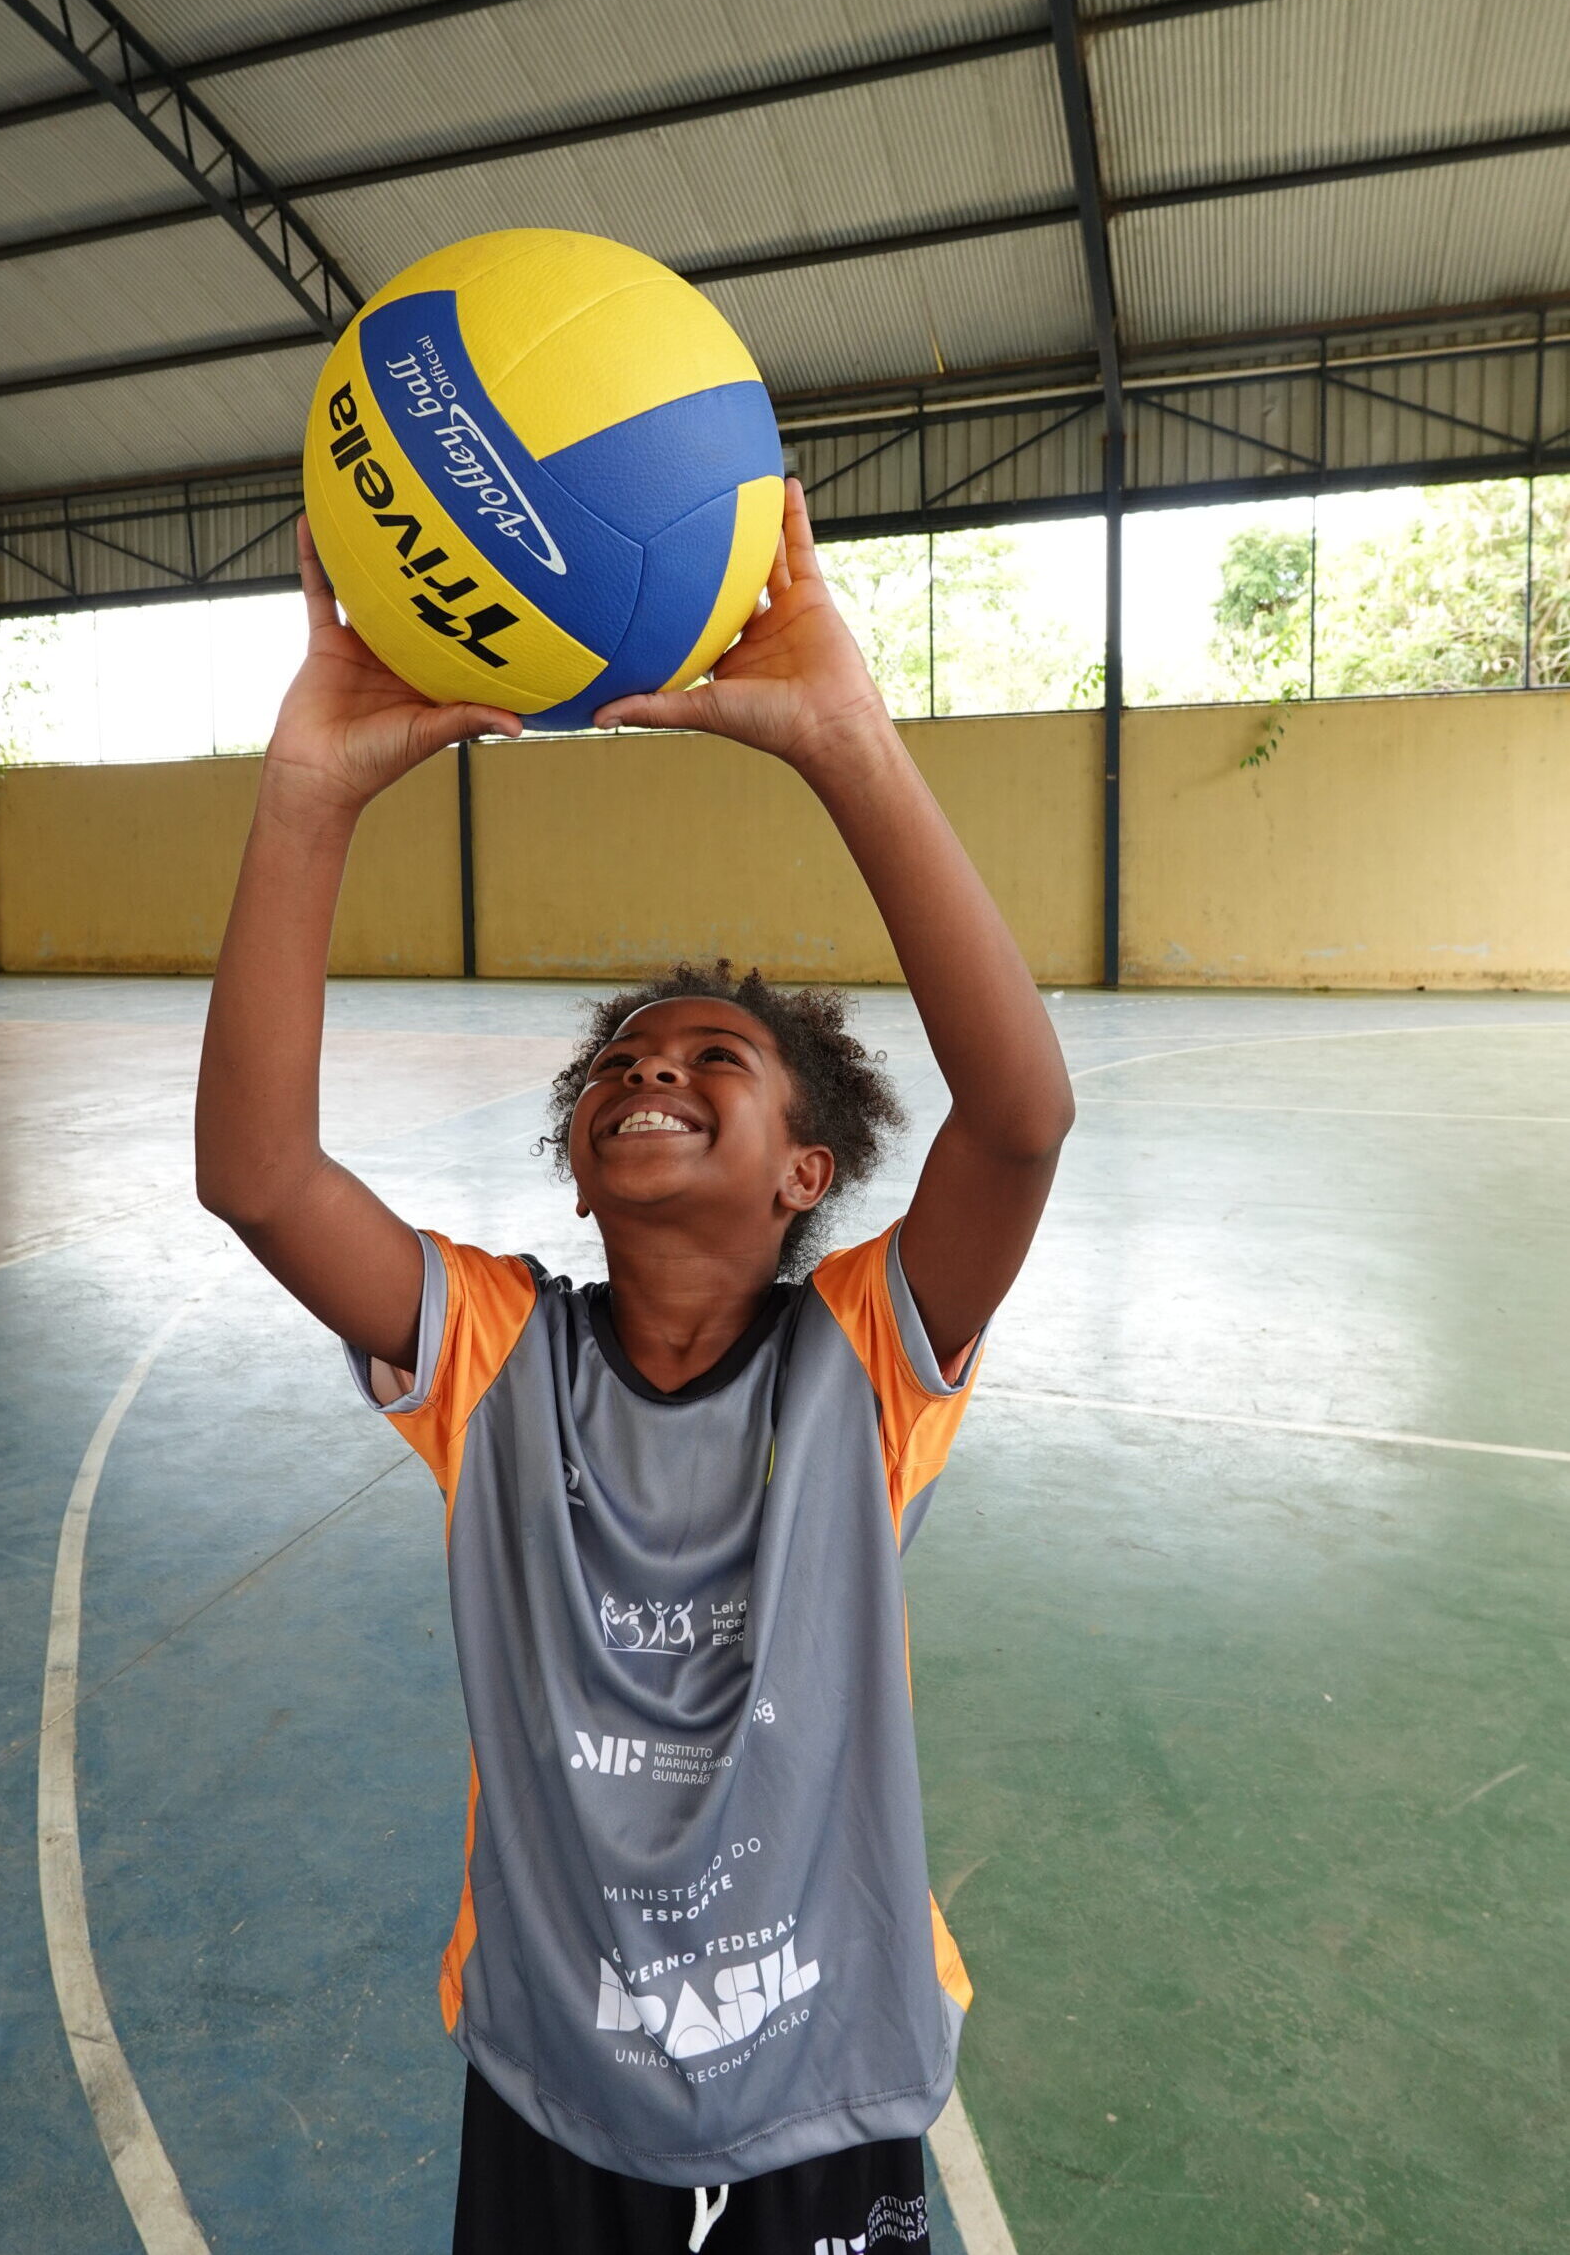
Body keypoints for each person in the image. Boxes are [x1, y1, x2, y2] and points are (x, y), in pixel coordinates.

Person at [195, 481, 1075, 2253]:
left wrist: (846, 744)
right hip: (555, 2071)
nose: (648, 1067)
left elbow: (1021, 1116)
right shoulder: (499, 1355)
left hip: (828, 2055)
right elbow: (259, 1178)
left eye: (714, 1054)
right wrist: (305, 798)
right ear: (580, 1151)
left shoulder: (862, 1365)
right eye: (617, 1059)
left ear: (807, 1169)